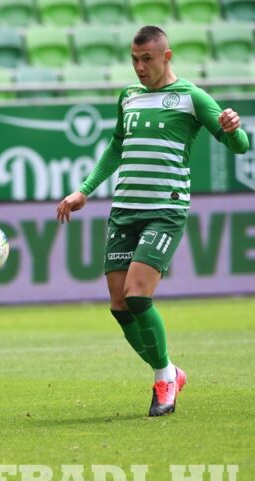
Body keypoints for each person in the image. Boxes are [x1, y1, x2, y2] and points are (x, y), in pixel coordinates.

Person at [56, 26, 249, 417]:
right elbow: (117, 145)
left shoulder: (192, 97)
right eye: (134, 59)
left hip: (164, 210)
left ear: (167, 56)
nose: (140, 67)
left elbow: (239, 146)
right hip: (124, 210)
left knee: (138, 295)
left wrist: (234, 129)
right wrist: (84, 190)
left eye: (147, 59)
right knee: (119, 305)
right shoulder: (128, 96)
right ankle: (170, 370)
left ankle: (164, 380)